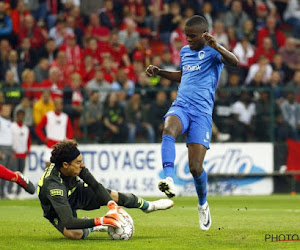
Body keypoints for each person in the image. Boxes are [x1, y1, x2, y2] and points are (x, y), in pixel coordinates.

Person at [145, 15, 238, 231]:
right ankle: (168, 179)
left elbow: (235, 62)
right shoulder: (185, 52)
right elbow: (183, 75)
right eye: (186, 36)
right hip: (182, 106)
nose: (188, 40)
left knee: (195, 168)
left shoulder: (214, 52)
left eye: (192, 36)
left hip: (202, 114)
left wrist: (218, 46)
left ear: (204, 35)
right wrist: (160, 72)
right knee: (168, 129)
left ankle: (203, 203)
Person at [38, 139, 173, 240]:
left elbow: (96, 186)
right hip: (56, 207)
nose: (82, 165)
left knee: (112, 196)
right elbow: (68, 221)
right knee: (75, 234)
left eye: (81, 160)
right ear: (65, 165)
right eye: (78, 162)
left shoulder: (76, 168)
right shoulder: (54, 186)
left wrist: (112, 206)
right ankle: (94, 227)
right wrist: (101, 220)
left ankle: (149, 206)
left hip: (75, 193)